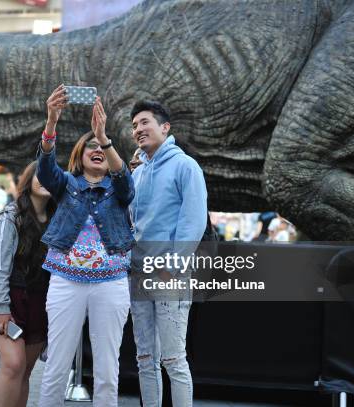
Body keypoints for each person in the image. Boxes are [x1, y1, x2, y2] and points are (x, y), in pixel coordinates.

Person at [36, 85, 134, 407]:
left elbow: (126, 183)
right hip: (66, 281)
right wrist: (51, 121)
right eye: (90, 145)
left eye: (102, 148)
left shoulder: (117, 187)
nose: (97, 149)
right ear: (79, 155)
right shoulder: (66, 183)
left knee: (107, 367)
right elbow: (45, 169)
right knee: (56, 364)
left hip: (111, 283)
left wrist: (103, 136)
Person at [129, 100, 207, 407]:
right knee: (144, 358)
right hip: (137, 275)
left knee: (174, 360)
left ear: (165, 127)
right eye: (134, 125)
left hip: (168, 277)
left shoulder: (185, 166)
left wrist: (170, 269)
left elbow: (194, 222)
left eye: (144, 122)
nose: (138, 130)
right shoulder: (137, 174)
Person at [0, 161, 55, 407]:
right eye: (39, 175)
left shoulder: (58, 218)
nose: (44, 180)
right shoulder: (10, 217)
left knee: (25, 370)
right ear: (28, 180)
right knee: (13, 364)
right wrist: (2, 306)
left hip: (39, 301)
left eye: (49, 176)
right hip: (8, 299)